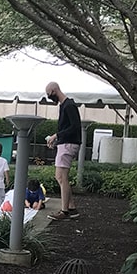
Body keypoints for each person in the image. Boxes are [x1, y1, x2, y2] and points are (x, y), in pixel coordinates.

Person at [44, 81, 82, 220]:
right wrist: (57, 140)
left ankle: (64, 211)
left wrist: (57, 136)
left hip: (68, 145)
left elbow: (75, 126)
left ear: (54, 90)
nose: (49, 97)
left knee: (61, 177)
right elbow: (68, 128)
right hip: (65, 144)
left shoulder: (69, 105)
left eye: (49, 94)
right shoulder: (65, 105)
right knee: (61, 177)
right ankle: (71, 208)